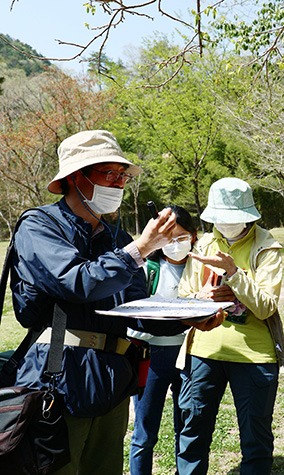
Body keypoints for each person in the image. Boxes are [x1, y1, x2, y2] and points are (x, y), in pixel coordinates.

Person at [10, 130, 222, 475]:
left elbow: (138, 310)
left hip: (111, 380)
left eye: (123, 176)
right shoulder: (39, 226)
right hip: (58, 378)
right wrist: (141, 249)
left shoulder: (117, 239)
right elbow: (77, 281)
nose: (120, 183)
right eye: (111, 174)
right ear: (76, 177)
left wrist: (191, 316)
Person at [176, 177, 284, 475]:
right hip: (204, 353)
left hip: (253, 357)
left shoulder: (266, 247)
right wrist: (200, 298)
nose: (225, 226)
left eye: (232, 220)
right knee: (192, 430)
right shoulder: (205, 243)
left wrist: (234, 273)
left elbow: (265, 306)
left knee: (256, 439)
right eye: (220, 220)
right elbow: (184, 295)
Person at [128, 205, 198, 475]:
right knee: (144, 432)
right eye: (169, 238)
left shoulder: (202, 267)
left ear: (193, 236)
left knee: (187, 426)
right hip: (149, 357)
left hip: (188, 356)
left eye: (181, 237)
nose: (175, 244)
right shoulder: (146, 267)